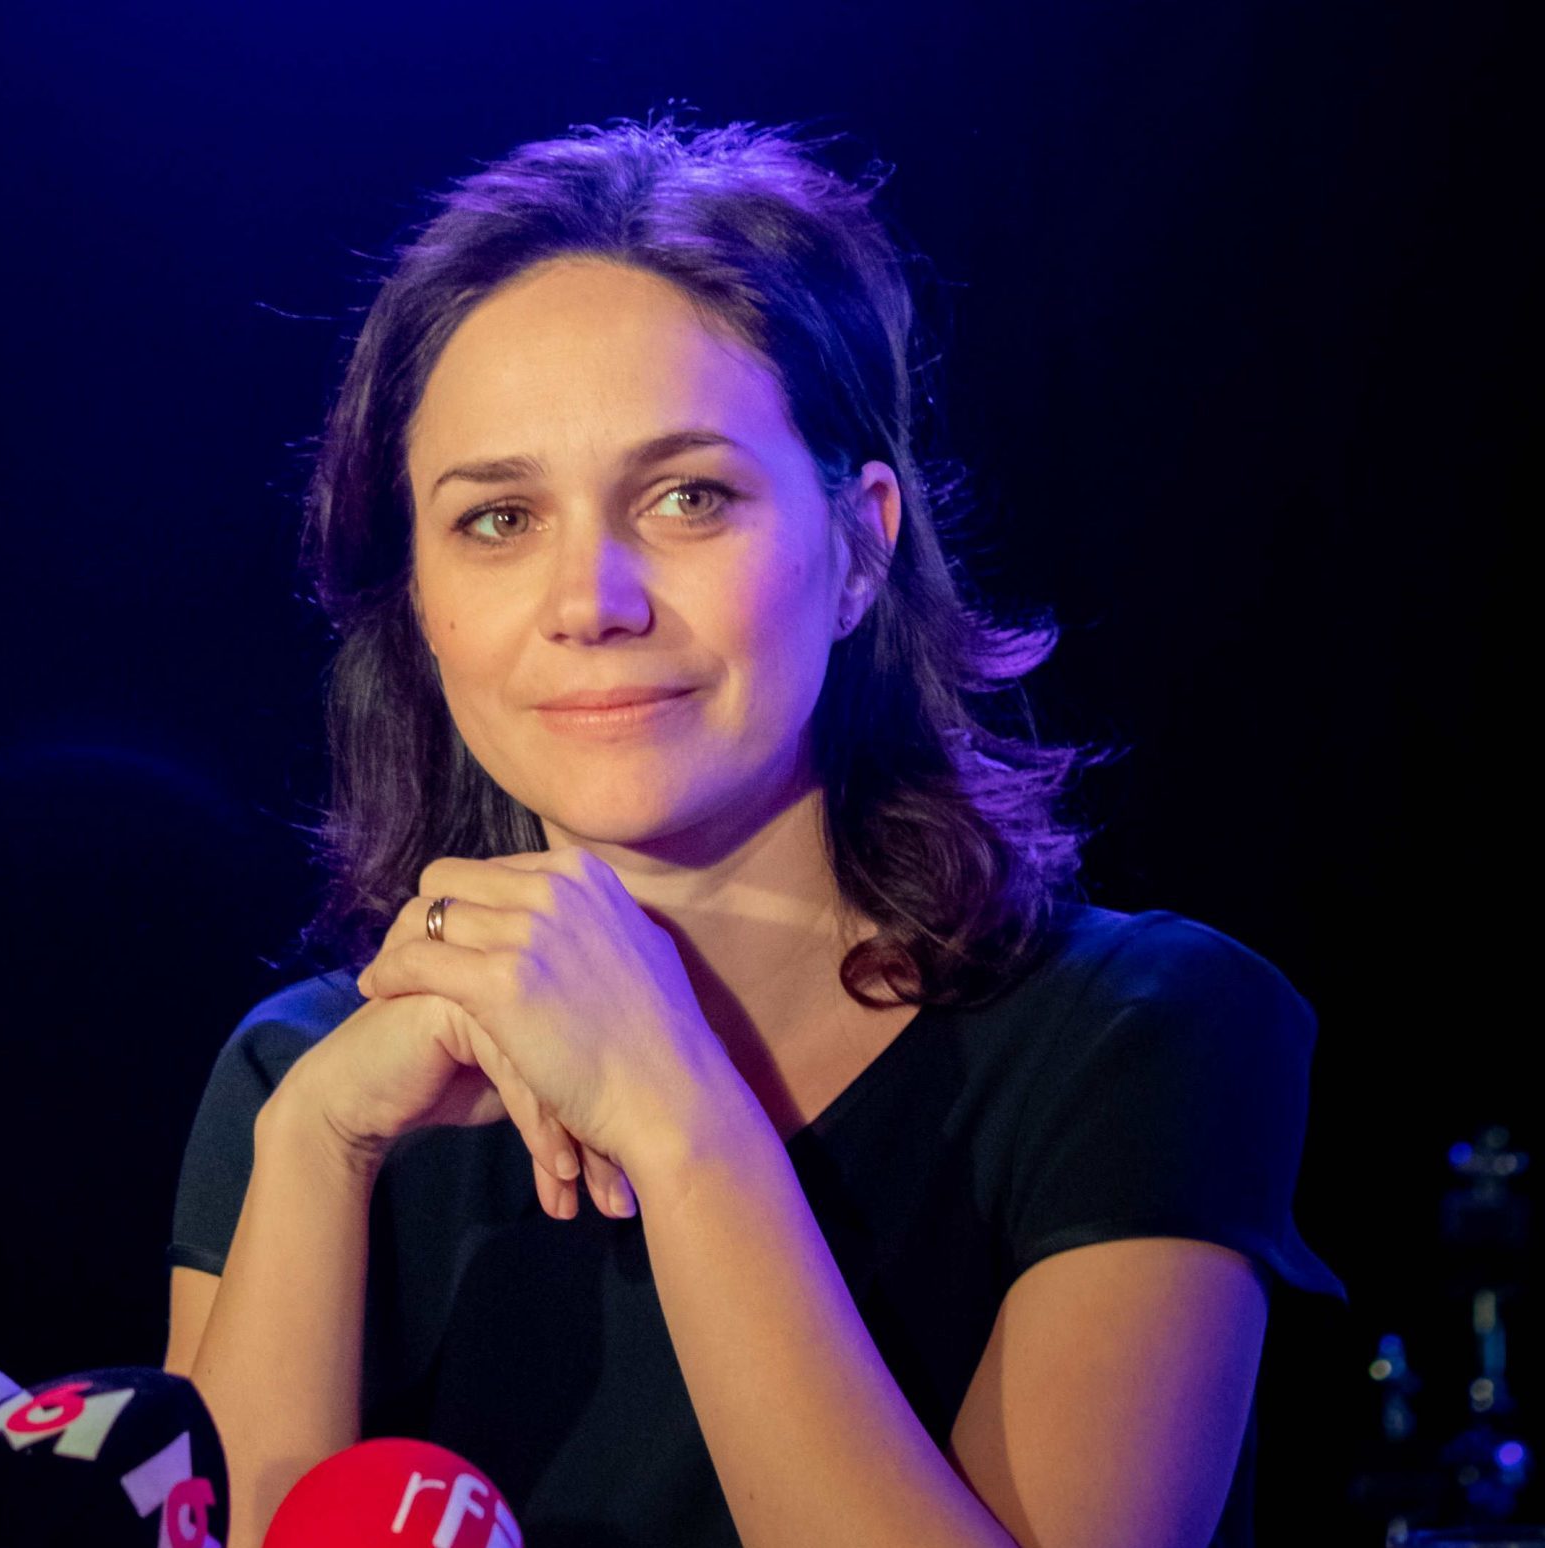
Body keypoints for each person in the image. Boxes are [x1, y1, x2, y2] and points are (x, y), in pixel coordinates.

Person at [161, 118, 1342, 1548]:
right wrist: (314, 1153)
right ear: (414, 601)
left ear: (858, 546)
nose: (589, 597)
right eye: (496, 519)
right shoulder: (303, 1079)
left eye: (688, 498)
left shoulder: (1141, 1038)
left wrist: (678, 1113)